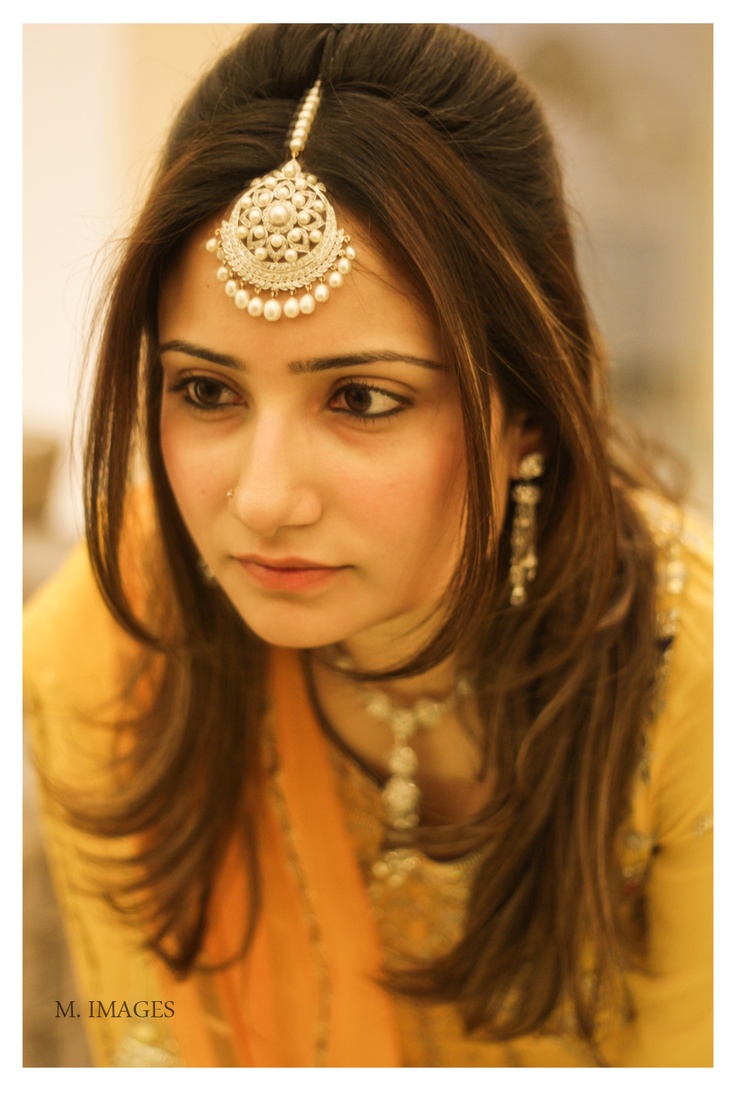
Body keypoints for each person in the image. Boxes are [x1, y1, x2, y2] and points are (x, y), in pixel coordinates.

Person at [23, 23, 712, 1067]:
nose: (260, 500)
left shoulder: (692, 682)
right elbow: (136, 1044)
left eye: (360, 397)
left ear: (524, 406)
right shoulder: (109, 644)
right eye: (205, 391)